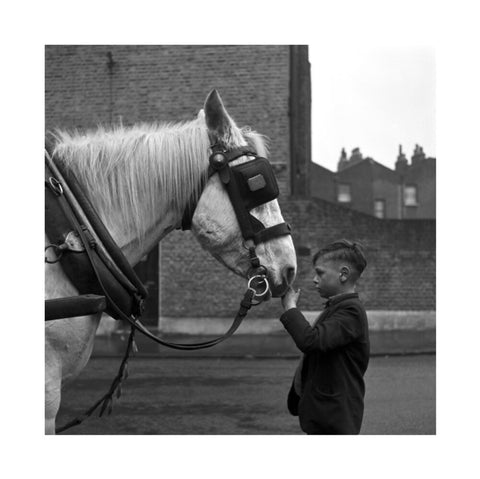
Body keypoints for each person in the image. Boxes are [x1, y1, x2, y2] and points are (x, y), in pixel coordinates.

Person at [280, 239, 370, 434]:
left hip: (335, 419)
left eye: (320, 273)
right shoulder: (338, 307)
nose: (314, 279)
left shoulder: (351, 311)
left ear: (343, 274)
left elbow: (310, 341)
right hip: (325, 415)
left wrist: (290, 307)